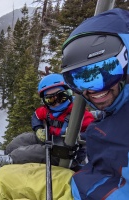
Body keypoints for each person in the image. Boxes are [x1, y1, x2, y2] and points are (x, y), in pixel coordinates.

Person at [60, 8, 129, 199]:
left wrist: (80, 183)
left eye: (105, 71)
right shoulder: (116, 110)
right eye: (80, 79)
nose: (92, 90)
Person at [0, 73, 94, 170]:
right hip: (51, 139)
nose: (56, 103)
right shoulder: (47, 110)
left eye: (61, 97)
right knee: (25, 138)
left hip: (66, 153)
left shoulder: (79, 113)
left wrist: (76, 137)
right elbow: (36, 116)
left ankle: (11, 159)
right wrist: (38, 129)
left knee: (36, 151)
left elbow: (93, 132)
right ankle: (7, 152)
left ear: (69, 93)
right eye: (50, 100)